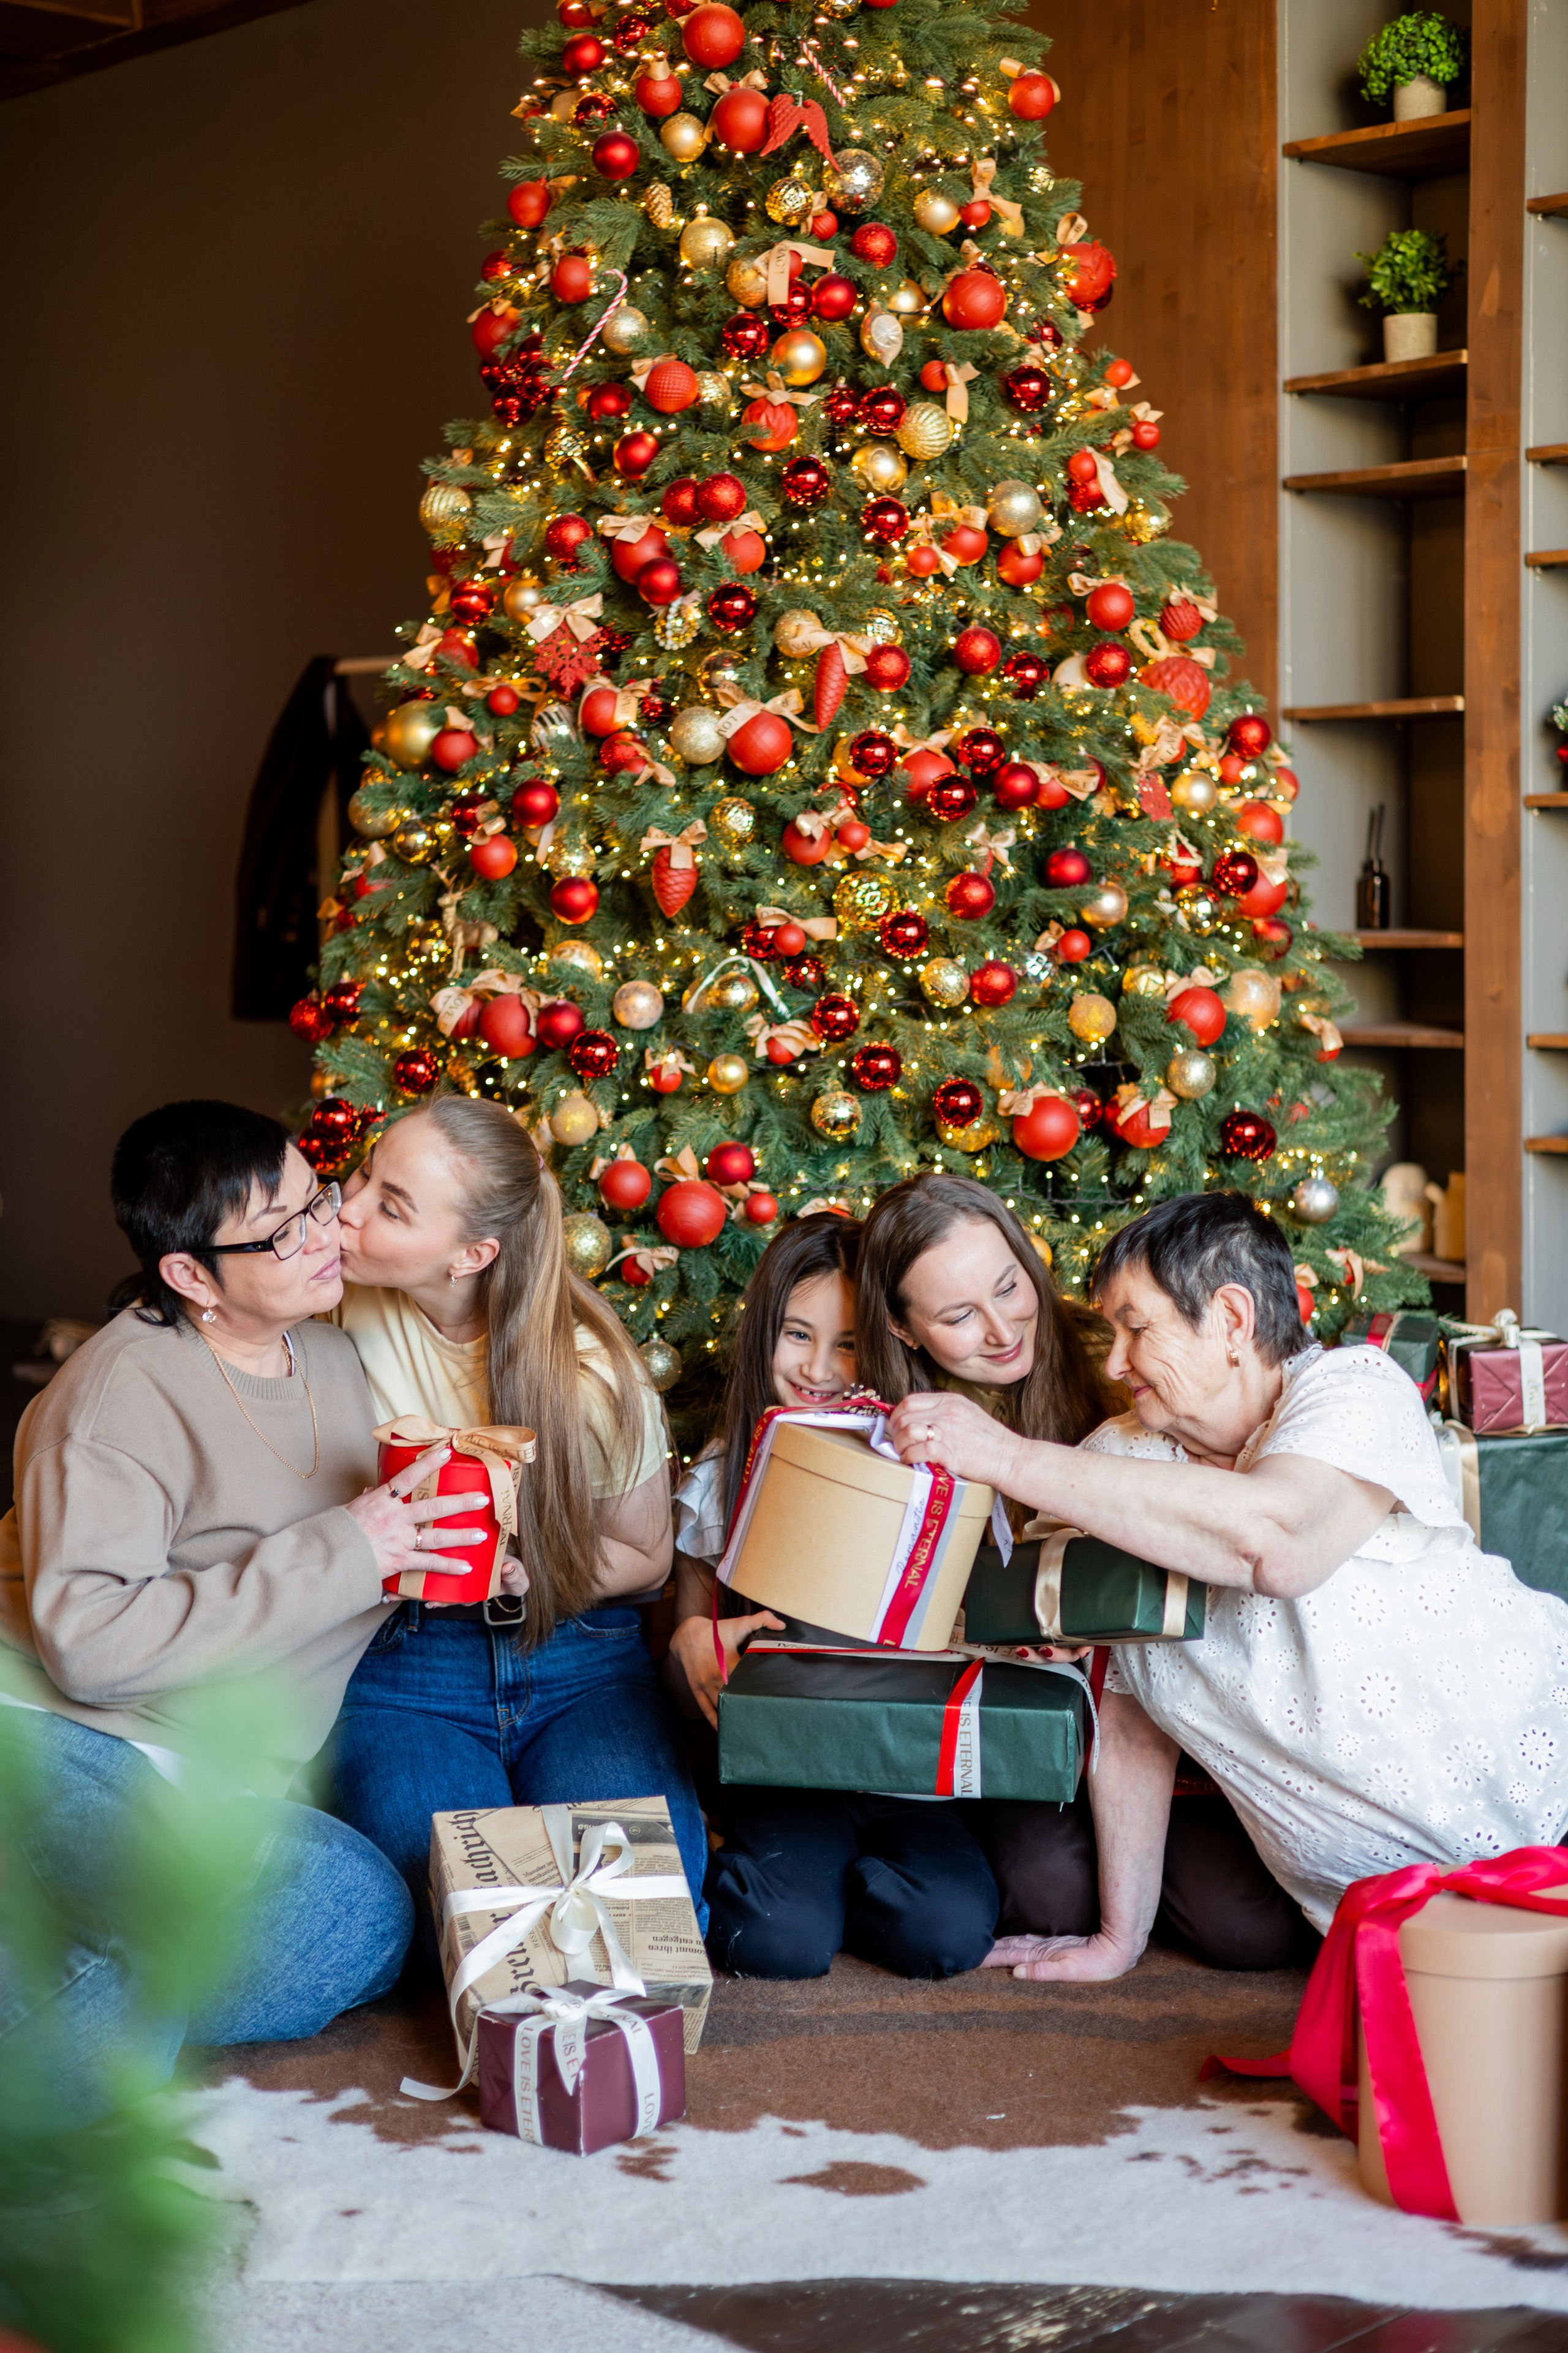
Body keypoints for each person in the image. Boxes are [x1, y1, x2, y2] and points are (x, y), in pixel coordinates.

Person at [884, 1190, 1568, 1982]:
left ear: (1233, 1319)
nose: (1113, 1362)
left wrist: (1004, 1456)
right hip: (1401, 1921)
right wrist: (1118, 1938)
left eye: (1136, 1328)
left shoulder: (1350, 1388)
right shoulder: (1112, 1464)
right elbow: (1131, 1720)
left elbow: (1276, 1543)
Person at [0, 1101, 476, 2110]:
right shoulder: (114, 1398)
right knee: (154, 1945)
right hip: (62, 1737)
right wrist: (347, 1549)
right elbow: (89, 1645)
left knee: (360, 1912)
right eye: (282, 1231)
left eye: (318, 1198)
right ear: (190, 1275)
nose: (326, 1233)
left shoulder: (333, 1355)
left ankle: (54, 1967)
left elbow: (333, 1577)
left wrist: (432, 1556)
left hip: (211, 1781)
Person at [859, 1173, 1311, 1972]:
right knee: (1049, 1894)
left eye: (1010, 1287)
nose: (1002, 1328)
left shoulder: (1126, 1363)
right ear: (903, 1327)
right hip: (1033, 1720)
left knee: (1249, 1927)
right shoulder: (892, 1428)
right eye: (959, 1316)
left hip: (1179, 1707)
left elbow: (1256, 1523)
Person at [326, 1096, 707, 1947]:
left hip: (575, 1658)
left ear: (472, 1254)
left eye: (392, 1206)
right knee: (461, 1916)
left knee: (641, 1919)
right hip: (405, 1657)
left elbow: (646, 1557)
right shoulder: (334, 1299)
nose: (346, 1208)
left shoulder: (592, 1372)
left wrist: (537, 1562)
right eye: (363, 1175)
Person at [675, 1214, 996, 1980]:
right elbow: (688, 1624)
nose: (819, 1368)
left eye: (847, 1343)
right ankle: (805, 1887)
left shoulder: (935, 1467)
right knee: (774, 1941)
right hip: (782, 1766)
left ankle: (836, 1886)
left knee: (947, 1935)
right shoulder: (725, 1469)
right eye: (796, 1334)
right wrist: (691, 1639)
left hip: (905, 1770)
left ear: (888, 1342)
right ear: (763, 1331)